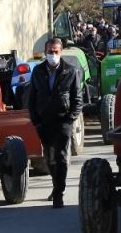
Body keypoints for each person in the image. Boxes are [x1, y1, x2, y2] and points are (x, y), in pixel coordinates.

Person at [27, 38, 83, 208]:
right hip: (44, 122)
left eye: (56, 51)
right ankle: (56, 185)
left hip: (63, 120)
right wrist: (35, 121)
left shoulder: (70, 71)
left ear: (61, 52)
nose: (53, 55)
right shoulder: (38, 71)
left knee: (60, 157)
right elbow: (32, 98)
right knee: (50, 158)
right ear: (45, 52)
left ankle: (59, 192)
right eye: (50, 52)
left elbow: (77, 99)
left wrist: (70, 118)